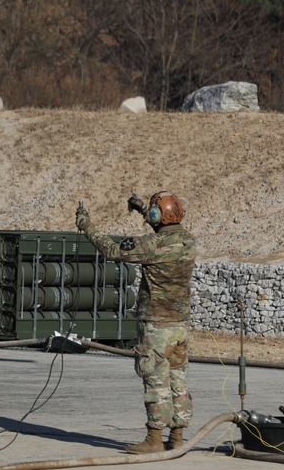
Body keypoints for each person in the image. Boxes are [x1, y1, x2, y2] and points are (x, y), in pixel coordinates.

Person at [75, 191, 197, 454]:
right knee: (178, 380)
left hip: (156, 326)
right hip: (180, 326)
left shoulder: (151, 245)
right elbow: (164, 226)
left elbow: (111, 250)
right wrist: (143, 208)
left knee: (155, 380)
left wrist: (87, 226)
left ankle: (154, 439)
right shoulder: (188, 241)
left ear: (158, 215)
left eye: (153, 212)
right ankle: (176, 438)